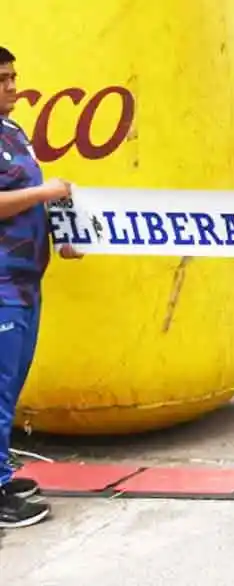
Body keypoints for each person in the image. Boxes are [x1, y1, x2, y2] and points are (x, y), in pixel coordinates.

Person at [0, 46, 84, 528]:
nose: (12, 86)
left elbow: (28, 197)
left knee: (9, 389)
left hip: (26, 280)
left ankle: (1, 474)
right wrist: (45, 192)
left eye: (13, 76)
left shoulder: (12, 130)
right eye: (2, 79)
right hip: (2, 285)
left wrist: (62, 233)